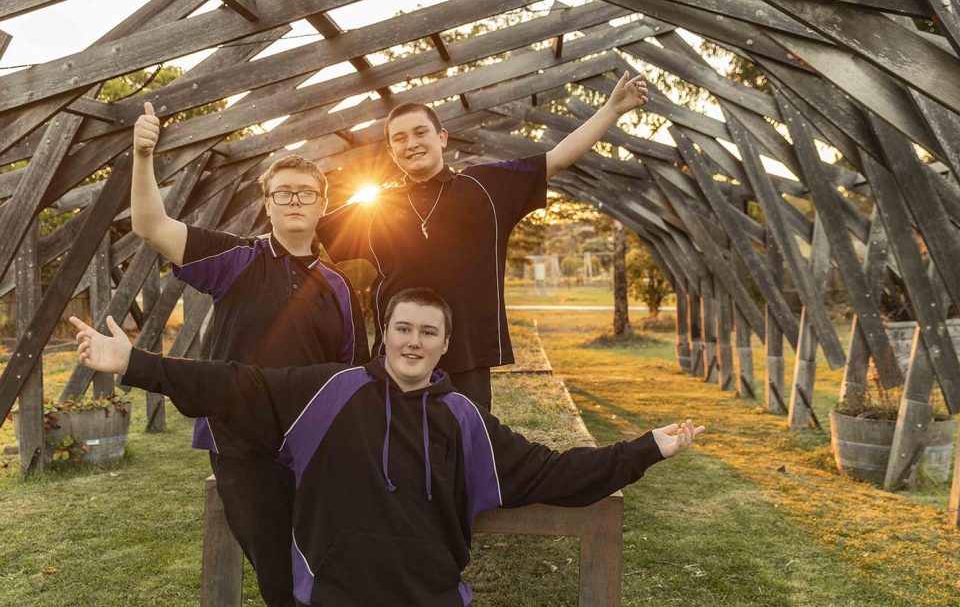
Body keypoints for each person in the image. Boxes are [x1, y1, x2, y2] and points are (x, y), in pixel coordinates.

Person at [70, 287, 704, 607]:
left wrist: (648, 448)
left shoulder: (466, 421)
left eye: (428, 332)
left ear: (444, 344)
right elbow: (236, 385)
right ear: (386, 335)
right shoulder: (329, 392)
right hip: (333, 597)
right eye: (403, 327)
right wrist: (136, 363)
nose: (414, 341)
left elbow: (557, 474)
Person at [131, 101, 369, 607]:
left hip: (314, 442)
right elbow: (151, 224)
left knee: (328, 563)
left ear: (323, 205)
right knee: (279, 578)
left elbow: (352, 376)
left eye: (306, 193)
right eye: (283, 192)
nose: (295, 201)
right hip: (243, 443)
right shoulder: (234, 259)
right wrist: (142, 153)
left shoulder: (338, 287)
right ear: (268, 203)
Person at [316, 71, 649, 408]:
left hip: (468, 355)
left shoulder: (485, 187)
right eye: (399, 138)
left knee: (465, 449)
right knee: (396, 452)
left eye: (420, 132)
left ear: (442, 137)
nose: (411, 143)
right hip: (398, 356)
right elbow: (308, 229)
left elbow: (558, 158)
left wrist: (612, 109)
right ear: (391, 152)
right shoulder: (375, 207)